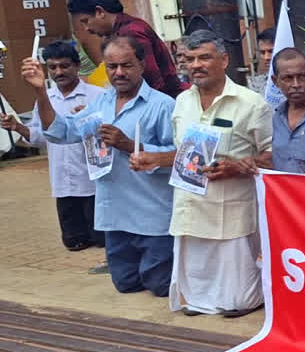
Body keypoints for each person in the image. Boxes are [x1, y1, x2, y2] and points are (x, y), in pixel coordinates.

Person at [132, 30, 273, 316]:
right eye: (190, 59)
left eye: (204, 58)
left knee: (238, 298)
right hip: (190, 203)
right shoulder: (182, 102)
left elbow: (274, 156)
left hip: (231, 206)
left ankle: (242, 301)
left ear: (224, 60)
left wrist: (236, 167)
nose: (196, 65)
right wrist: (155, 159)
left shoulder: (251, 103)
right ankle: (198, 301)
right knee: (194, 278)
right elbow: (184, 152)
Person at [35, 35, 177, 296]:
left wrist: (129, 145)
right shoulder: (100, 102)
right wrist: (40, 93)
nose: (119, 73)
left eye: (127, 65)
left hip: (152, 217)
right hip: (114, 216)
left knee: (160, 287)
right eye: (112, 67)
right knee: (126, 285)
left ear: (142, 65)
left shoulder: (163, 105)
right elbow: (61, 133)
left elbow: (179, 158)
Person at [1, 41, 107, 251]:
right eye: (53, 67)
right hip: (64, 186)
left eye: (64, 66)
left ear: (77, 66)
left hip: (93, 184)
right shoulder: (45, 98)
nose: (59, 72)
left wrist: (91, 119)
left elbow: (109, 136)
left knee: (103, 242)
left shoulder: (98, 96)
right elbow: (42, 137)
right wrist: (18, 127)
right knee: (75, 245)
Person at [66, 0, 181, 97]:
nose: (87, 29)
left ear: (100, 12)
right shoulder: (121, 31)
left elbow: (153, 85)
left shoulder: (131, 33)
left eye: (86, 21)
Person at [248, 27, 275, 95]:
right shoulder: (255, 84)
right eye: (262, 52)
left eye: (271, 51)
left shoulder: (298, 81)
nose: (266, 57)